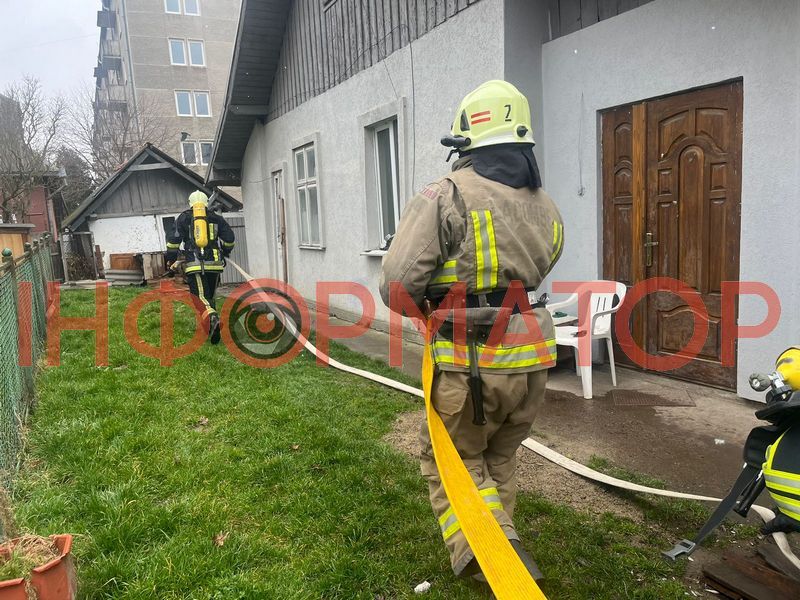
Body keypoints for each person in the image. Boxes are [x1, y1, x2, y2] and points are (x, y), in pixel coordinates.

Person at [379, 80, 564, 581]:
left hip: (472, 360)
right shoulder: (545, 204)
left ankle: (486, 553)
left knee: (453, 460)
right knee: (499, 455)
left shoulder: (445, 195)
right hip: (531, 357)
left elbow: (396, 284)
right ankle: (502, 544)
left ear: (464, 140)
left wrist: (431, 309)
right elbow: (543, 262)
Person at [166, 190, 235, 343]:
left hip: (195, 264)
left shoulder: (184, 218)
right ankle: (210, 327)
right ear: (206, 203)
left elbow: (173, 243)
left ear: (190, 204)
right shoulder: (216, 218)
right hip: (215, 265)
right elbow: (229, 239)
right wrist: (225, 251)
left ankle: (213, 318)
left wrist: (171, 260)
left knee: (200, 297)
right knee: (209, 297)